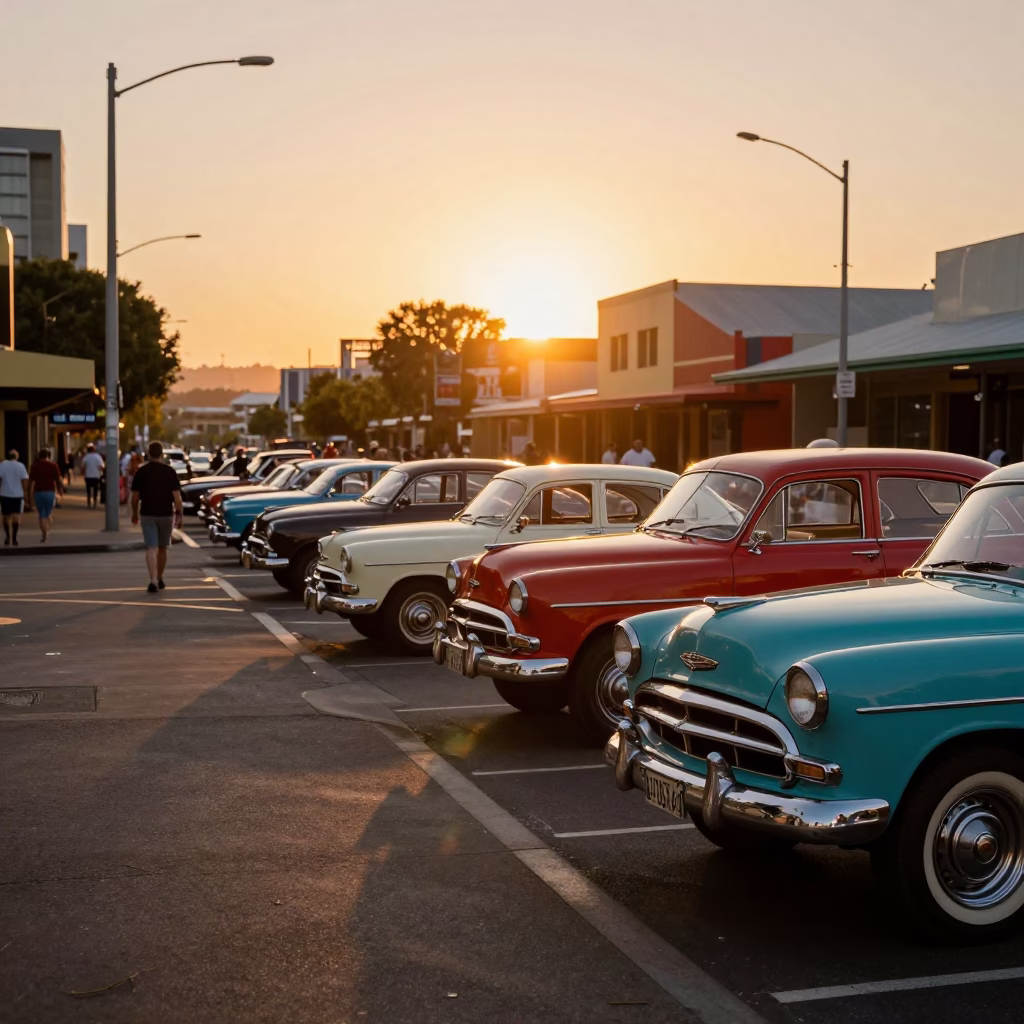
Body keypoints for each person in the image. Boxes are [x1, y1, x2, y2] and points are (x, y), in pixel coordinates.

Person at [131, 441, 184, 593]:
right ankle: (160, 578)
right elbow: (177, 498)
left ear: (148, 454)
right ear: (162, 454)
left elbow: (135, 498)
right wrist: (179, 516)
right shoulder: (170, 471)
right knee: (163, 548)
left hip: (147, 514)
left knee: (151, 548)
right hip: (166, 514)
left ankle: (153, 579)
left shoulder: (141, 472)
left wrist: (135, 513)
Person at [28, 448, 63, 542]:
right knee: (47, 514)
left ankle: (44, 533)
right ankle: (46, 533)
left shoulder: (34, 466)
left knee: (42, 514)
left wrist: (28, 494)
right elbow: (58, 479)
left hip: (38, 492)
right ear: (49, 456)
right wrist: (60, 490)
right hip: (49, 492)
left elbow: (30, 481)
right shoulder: (53, 465)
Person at [0, 449, 29, 546]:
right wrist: (25, 493)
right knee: (16, 517)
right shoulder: (21, 466)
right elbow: (24, 480)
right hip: (17, 494)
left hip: (4, 494)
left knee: (6, 516)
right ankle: (14, 538)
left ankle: (7, 536)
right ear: (17, 457)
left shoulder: (2, 465)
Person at [81, 443, 105, 508]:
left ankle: (89, 502)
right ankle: (94, 503)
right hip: (96, 476)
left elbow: (83, 467)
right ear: (94, 450)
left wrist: (84, 474)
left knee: (88, 490)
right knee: (95, 490)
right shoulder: (98, 457)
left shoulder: (86, 457)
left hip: (88, 476)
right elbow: (102, 466)